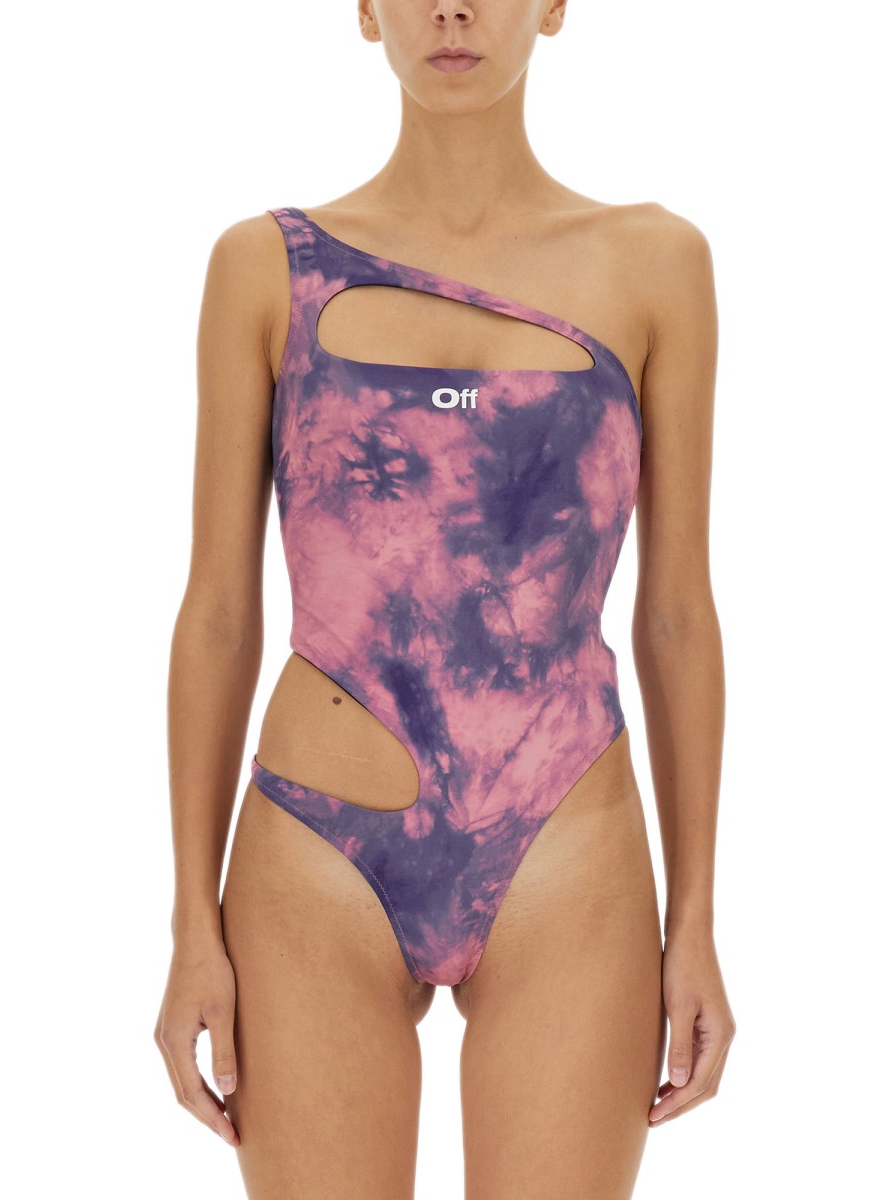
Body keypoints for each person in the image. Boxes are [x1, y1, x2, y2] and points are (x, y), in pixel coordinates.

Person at [153, 2, 736, 1195]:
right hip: (317, 850)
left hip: (565, 839)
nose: (452, 9)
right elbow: (217, 611)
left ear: (555, 6)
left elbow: (677, 611)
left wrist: (697, 924)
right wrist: (189, 927)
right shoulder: (266, 267)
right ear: (366, 12)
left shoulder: (655, 262)